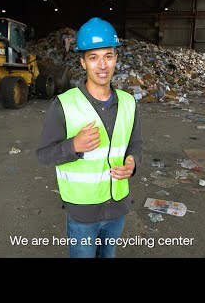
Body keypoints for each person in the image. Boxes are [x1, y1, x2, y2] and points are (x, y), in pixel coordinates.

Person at [37, 17, 143, 258]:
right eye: (93, 58)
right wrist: (73, 145)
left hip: (118, 208)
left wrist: (133, 162)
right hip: (82, 213)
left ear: (116, 58)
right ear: (82, 62)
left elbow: (135, 144)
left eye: (108, 56)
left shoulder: (128, 103)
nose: (102, 65)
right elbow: (43, 155)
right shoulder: (63, 105)